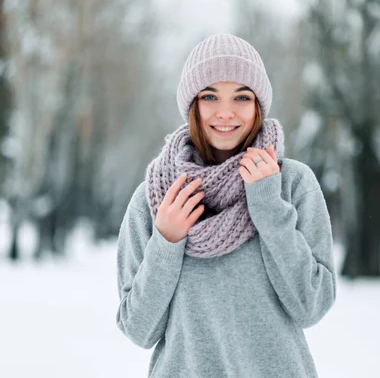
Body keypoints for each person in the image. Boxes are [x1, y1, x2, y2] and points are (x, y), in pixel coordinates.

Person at [116, 33, 336, 378]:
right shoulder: (157, 198)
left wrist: (268, 209)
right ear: (193, 105)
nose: (225, 112)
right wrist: (167, 242)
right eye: (210, 96)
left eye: (241, 97)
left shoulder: (292, 184)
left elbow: (311, 306)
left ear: (258, 105)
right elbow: (139, 329)